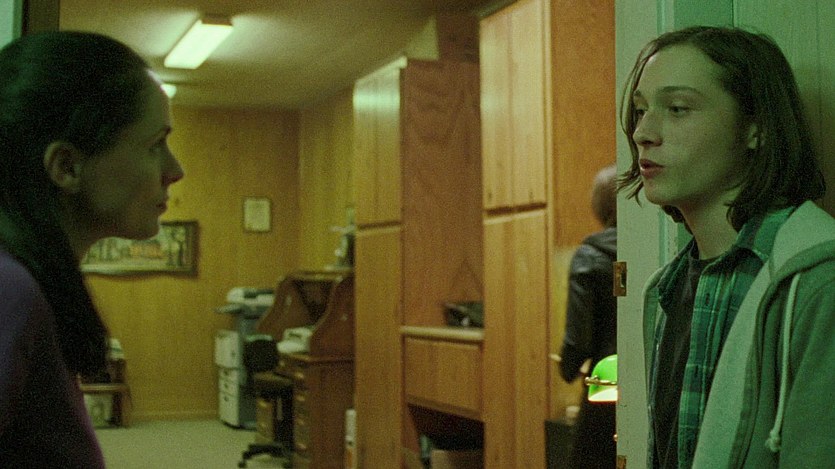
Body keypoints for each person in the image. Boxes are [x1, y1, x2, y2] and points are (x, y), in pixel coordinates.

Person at [620, 25, 835, 468]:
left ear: (756, 128)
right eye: (641, 110)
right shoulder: (665, 289)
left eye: (678, 108)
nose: (644, 131)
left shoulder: (817, 282)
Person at [0, 31, 184, 467]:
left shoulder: (28, 282)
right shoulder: (10, 288)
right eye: (154, 145)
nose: (175, 170)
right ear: (67, 166)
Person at [559, 164, 617, 469]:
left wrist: (567, 367)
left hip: (604, 383)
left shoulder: (589, 256)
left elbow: (578, 338)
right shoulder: (652, 248)